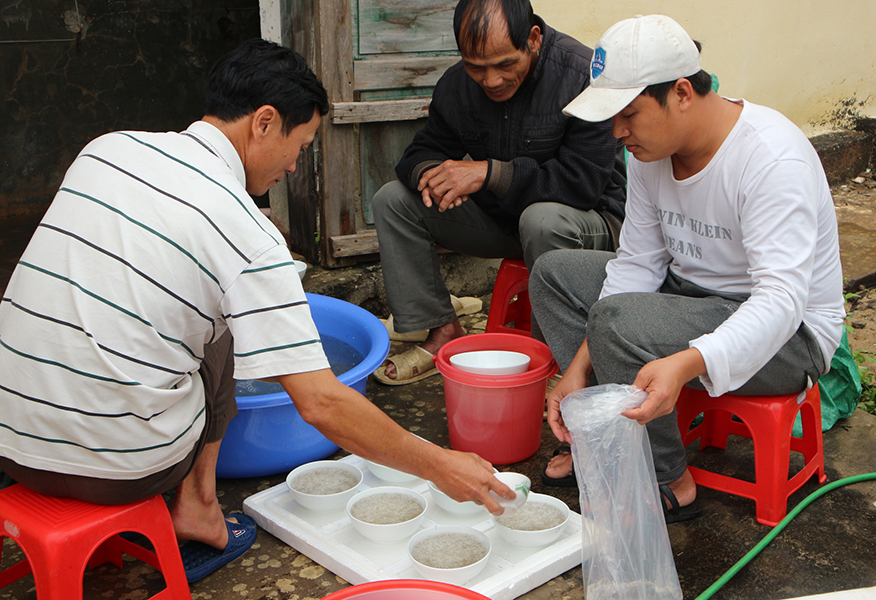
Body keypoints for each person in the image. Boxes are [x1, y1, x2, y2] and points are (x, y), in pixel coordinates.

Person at [0, 39, 514, 583]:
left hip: (9, 440)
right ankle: (197, 505)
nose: (295, 167)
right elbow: (320, 404)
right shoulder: (246, 233)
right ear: (264, 122)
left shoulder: (107, 149)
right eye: (302, 145)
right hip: (121, 468)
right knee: (223, 326)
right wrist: (440, 466)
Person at [530, 15, 845, 521]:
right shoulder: (653, 155)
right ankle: (602, 434)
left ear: (680, 92)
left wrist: (686, 362)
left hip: (791, 334)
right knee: (554, 274)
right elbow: (636, 264)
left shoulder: (770, 160)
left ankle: (668, 478)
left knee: (620, 324)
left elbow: (781, 301)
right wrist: (577, 368)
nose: (617, 132)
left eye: (628, 114)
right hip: (692, 297)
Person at [372, 0, 627, 385]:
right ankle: (441, 330)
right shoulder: (457, 86)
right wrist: (433, 173)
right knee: (392, 201)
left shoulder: (582, 76)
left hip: (588, 225)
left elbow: (582, 185)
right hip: (508, 222)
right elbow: (420, 153)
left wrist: (489, 174)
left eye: (506, 64)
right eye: (476, 66)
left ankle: (559, 362)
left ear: (534, 39)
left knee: (542, 219)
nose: (491, 80)